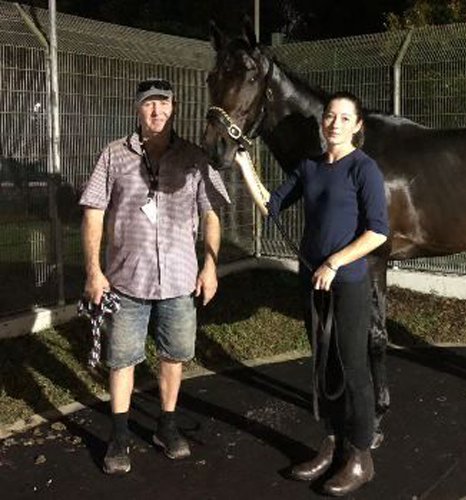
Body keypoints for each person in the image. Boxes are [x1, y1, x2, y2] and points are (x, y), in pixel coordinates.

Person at [240, 91, 388, 496]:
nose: (334, 123)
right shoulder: (310, 167)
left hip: (347, 282)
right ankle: (332, 443)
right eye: (329, 116)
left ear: (357, 125)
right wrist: (244, 164)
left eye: (344, 118)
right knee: (324, 367)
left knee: (353, 368)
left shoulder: (364, 169)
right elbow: (270, 204)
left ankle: (361, 457)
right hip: (312, 281)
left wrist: (334, 262)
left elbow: (377, 232)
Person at [79, 78, 229, 475]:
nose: (156, 112)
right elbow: (93, 212)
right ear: (137, 109)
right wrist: (94, 271)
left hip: (180, 281)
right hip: (126, 281)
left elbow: (212, 212)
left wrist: (211, 265)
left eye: (163, 104)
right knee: (122, 359)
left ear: (174, 108)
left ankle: (166, 425)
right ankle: (120, 435)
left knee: (173, 356)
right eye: (149, 105)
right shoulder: (113, 155)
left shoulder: (195, 159)